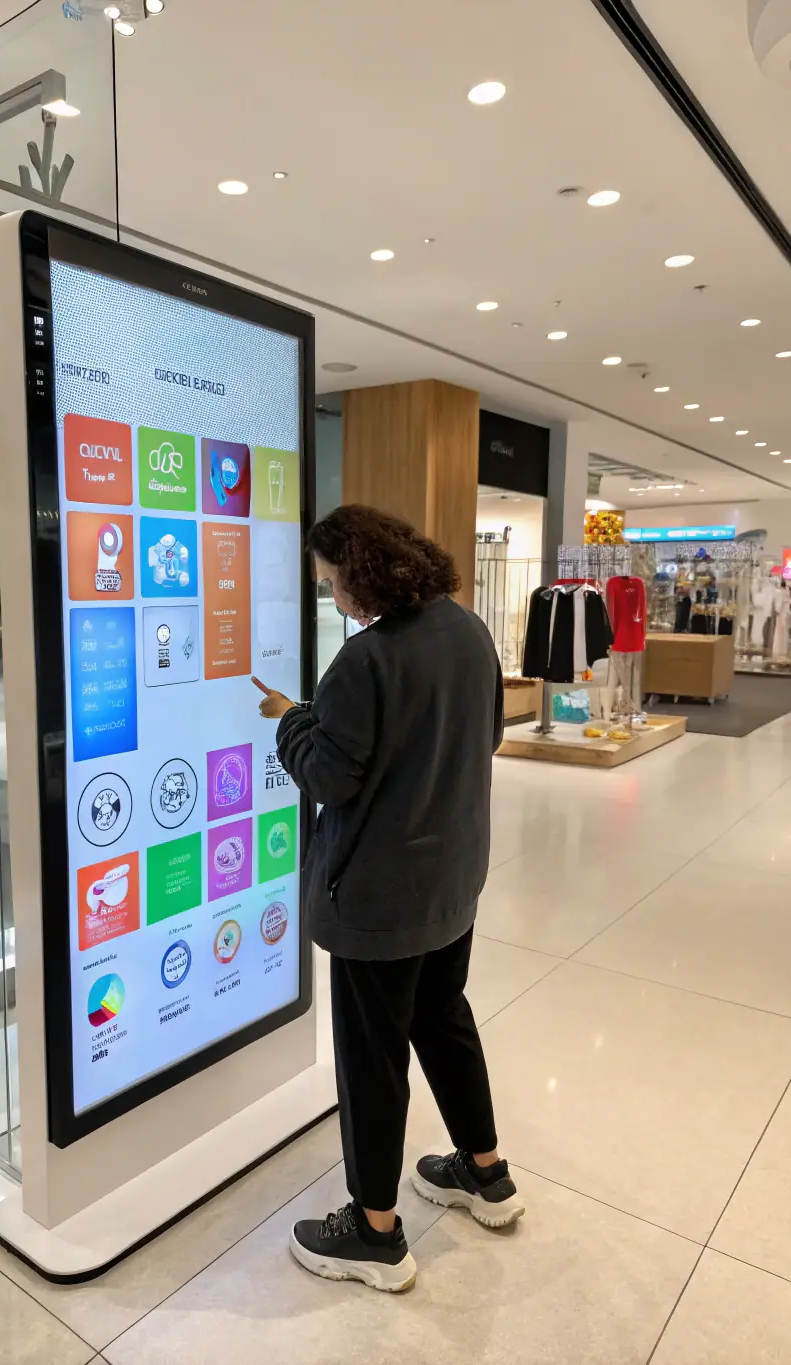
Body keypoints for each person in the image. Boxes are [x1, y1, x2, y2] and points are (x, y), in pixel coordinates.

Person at [253, 504, 521, 1293]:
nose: (332, 596)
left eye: (331, 582)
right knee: (442, 1015)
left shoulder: (364, 661)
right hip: (451, 880)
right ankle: (486, 1171)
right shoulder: (467, 631)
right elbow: (483, 736)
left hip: (379, 900)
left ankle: (374, 1231)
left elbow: (329, 775)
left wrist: (289, 720)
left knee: (372, 1058)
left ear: (360, 573)